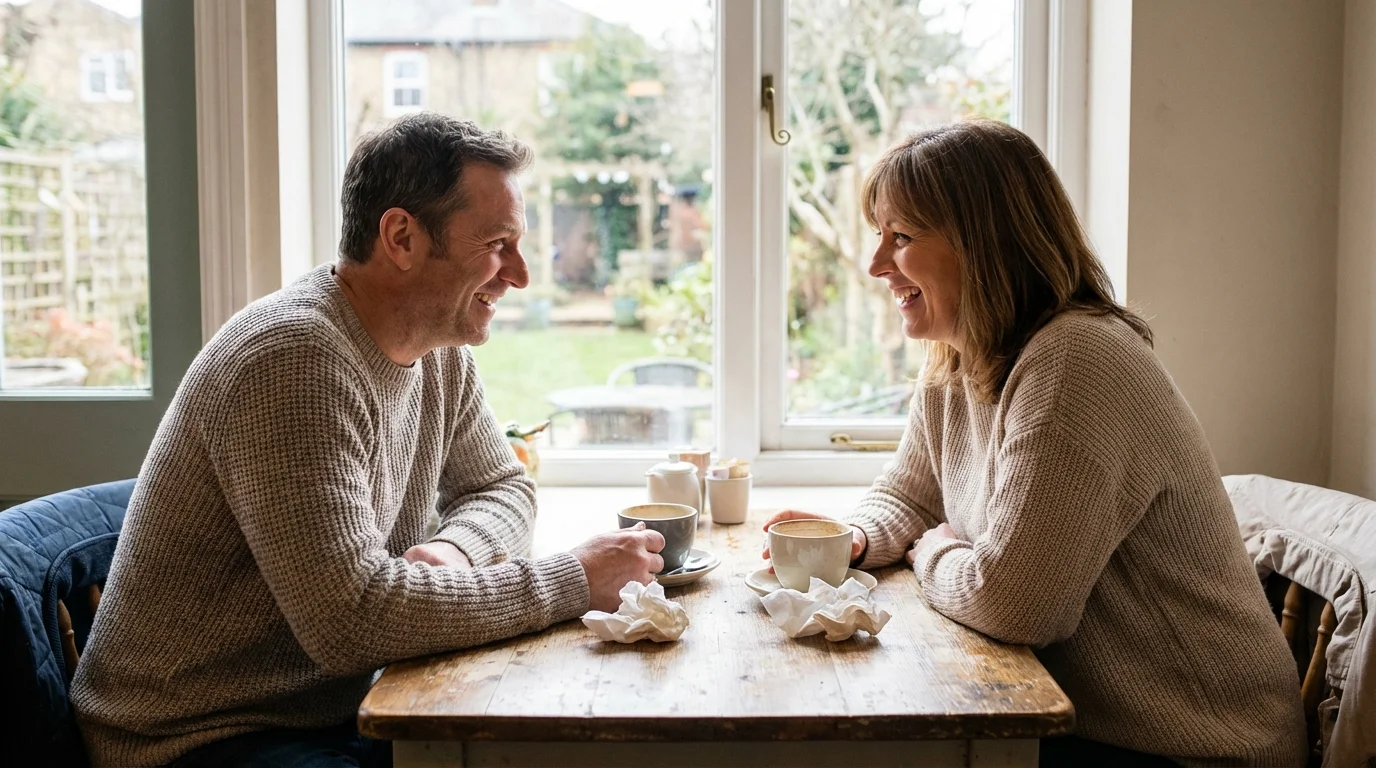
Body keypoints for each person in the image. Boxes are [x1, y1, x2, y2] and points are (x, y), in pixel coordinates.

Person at [71, 113, 665, 767]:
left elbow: (501, 485)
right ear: (402, 237)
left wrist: (452, 552)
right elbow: (352, 621)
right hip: (198, 739)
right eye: (498, 243)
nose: (519, 274)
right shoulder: (292, 359)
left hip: (325, 710)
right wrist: (574, 579)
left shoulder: (437, 348)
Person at [763, 120, 1306, 767]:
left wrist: (932, 553)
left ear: (983, 245)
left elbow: (1014, 605)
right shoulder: (958, 356)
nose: (878, 264)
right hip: (1090, 726)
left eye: (901, 237)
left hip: (1202, 747)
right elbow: (911, 493)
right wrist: (850, 539)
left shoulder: (1076, 360)